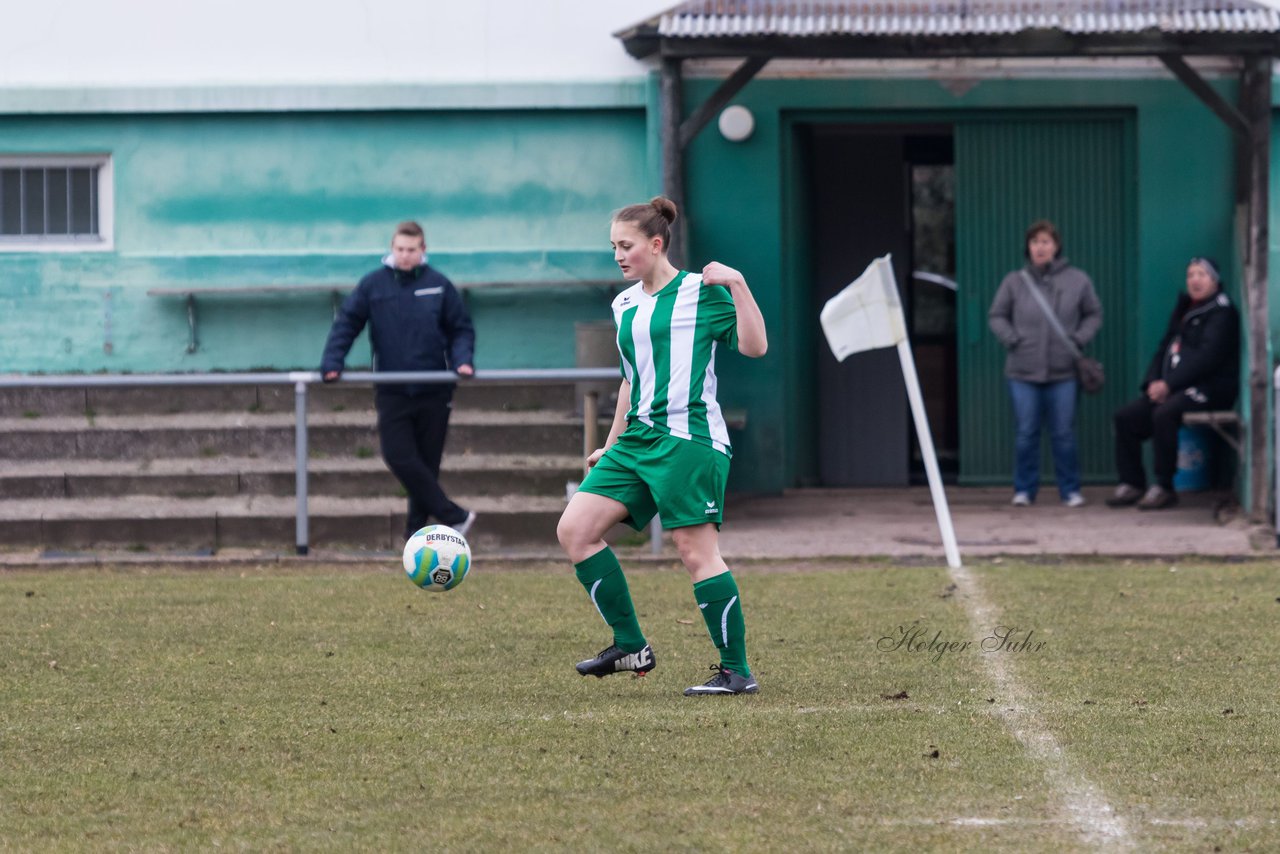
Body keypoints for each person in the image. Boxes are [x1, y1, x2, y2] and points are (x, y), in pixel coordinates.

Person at [556, 196, 768, 696]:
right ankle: (630, 645)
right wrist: (609, 445)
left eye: (625, 246)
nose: (618, 256)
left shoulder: (702, 291)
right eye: (613, 246)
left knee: (695, 552)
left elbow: (756, 346)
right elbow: (631, 380)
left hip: (689, 439)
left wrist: (738, 283)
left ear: (656, 244)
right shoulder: (623, 303)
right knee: (575, 529)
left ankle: (735, 671)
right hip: (636, 440)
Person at [320, 220, 477, 540]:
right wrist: (332, 361)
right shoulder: (373, 285)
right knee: (398, 455)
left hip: (435, 390)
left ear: (423, 250)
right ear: (392, 249)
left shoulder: (439, 285)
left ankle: (414, 536)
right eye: (400, 249)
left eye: (412, 250)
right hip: (392, 389)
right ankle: (453, 515)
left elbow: (460, 328)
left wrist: (462, 360)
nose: (405, 256)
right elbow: (348, 322)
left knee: (427, 466)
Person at [1107, 257, 1239, 510]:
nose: (1195, 280)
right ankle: (1132, 483)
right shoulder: (1185, 308)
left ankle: (1164, 487)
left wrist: (1169, 386)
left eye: (1202, 275)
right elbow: (1164, 348)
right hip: (1172, 387)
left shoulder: (1223, 313)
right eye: (1191, 275)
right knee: (1125, 417)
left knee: (1164, 414)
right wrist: (1152, 383)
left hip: (1209, 389)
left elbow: (1206, 359)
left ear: (1214, 280)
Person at [988, 220, 1103, 508]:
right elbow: (996, 315)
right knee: (1026, 432)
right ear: (1028, 247)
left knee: (1063, 433)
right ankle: (1024, 490)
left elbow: (1094, 314)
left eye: (1046, 242)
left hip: (1064, 371)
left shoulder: (1078, 280)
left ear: (1056, 246)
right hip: (1022, 371)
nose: (1040, 247)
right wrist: (1011, 338)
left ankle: (1070, 490)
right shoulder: (1014, 281)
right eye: (1035, 242)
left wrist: (1079, 338)